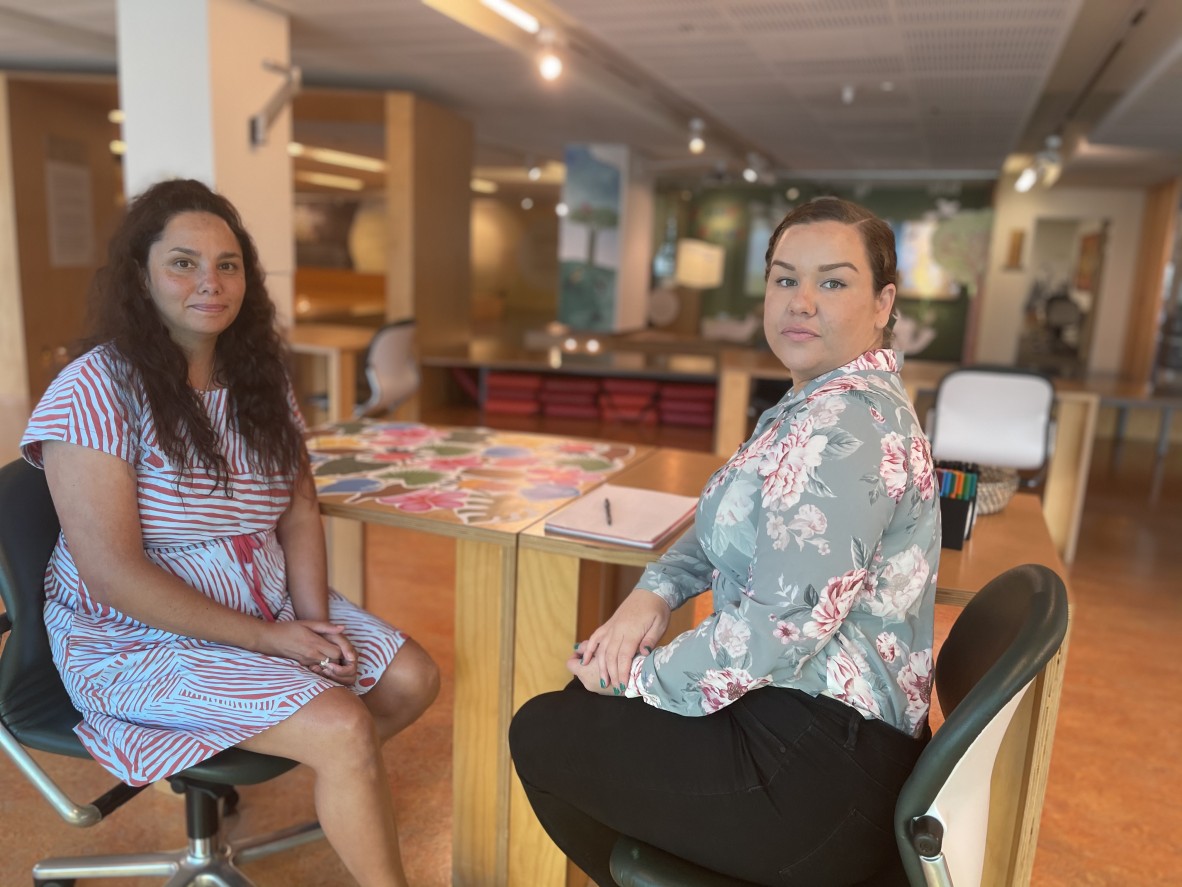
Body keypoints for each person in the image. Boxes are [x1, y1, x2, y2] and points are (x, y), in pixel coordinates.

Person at [510, 197, 941, 886]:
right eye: (784, 278)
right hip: (807, 719)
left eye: (832, 282)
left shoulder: (847, 426)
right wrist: (652, 594)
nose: (801, 301)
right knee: (580, 710)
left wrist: (638, 679)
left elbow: (779, 628)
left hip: (823, 767)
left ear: (884, 302)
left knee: (543, 732)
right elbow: (719, 523)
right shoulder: (809, 403)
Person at [20, 178, 439, 887]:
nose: (209, 282)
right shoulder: (93, 389)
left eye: (228, 263)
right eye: (183, 262)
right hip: (134, 634)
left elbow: (299, 509)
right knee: (340, 725)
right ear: (140, 275)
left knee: (412, 677)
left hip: (260, 605)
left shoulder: (258, 377)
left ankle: (335, 767)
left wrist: (311, 625)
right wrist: (277, 643)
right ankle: (340, 765)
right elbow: (113, 573)